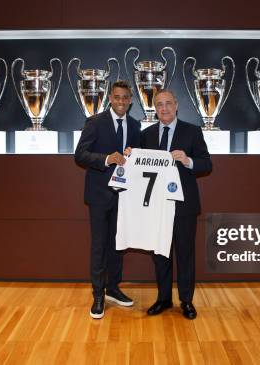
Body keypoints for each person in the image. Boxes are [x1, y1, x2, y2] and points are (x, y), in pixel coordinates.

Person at [140, 89, 212, 319]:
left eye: (168, 103)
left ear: (176, 105)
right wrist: (130, 156)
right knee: (160, 254)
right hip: (157, 206)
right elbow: (140, 168)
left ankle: (186, 301)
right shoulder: (147, 134)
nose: (164, 108)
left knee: (185, 254)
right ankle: (163, 299)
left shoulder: (192, 131)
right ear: (154, 108)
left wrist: (188, 160)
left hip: (184, 206)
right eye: (159, 104)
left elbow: (206, 164)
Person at [74, 80, 141, 319]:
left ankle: (113, 287)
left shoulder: (135, 125)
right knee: (100, 245)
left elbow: (138, 159)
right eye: (117, 97)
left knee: (118, 245)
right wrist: (107, 159)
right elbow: (80, 154)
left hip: (124, 196)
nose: (121, 101)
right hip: (99, 195)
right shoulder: (95, 122)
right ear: (110, 98)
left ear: (131, 100)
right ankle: (98, 294)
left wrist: (135, 156)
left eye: (125, 97)